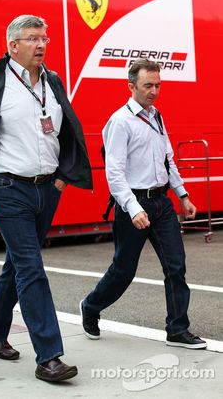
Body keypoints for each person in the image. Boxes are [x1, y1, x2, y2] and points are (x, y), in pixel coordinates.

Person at [0, 14, 93, 382]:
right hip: (6, 188)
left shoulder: (54, 81)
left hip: (47, 188)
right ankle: (49, 356)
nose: (42, 45)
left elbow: (65, 132)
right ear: (13, 46)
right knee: (31, 267)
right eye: (33, 39)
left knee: (16, 263)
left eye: (44, 38)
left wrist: (63, 179)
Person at [80, 58, 207, 350]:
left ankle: (177, 329)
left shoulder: (156, 116)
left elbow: (168, 159)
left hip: (161, 203)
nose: (154, 91)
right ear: (131, 86)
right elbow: (114, 173)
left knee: (176, 266)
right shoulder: (120, 121)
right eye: (148, 85)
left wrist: (183, 194)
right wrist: (133, 208)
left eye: (158, 85)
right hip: (132, 204)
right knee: (123, 270)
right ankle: (91, 306)